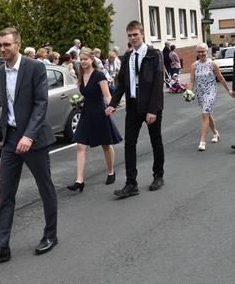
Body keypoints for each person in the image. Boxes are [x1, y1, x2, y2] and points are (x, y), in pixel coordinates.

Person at [0, 27, 58, 265]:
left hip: (35, 141)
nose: (2, 49)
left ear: (18, 45)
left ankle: (50, 235)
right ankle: (1, 247)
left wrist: (29, 136)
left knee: (45, 188)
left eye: (7, 45)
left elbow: (41, 104)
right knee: (6, 194)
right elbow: (7, 108)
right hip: (11, 140)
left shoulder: (35, 67)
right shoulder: (0, 72)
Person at [106, 20, 164, 198]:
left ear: (142, 34)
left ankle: (158, 175)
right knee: (129, 144)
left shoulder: (154, 54)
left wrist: (152, 110)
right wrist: (112, 104)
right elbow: (122, 83)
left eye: (135, 35)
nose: (133, 38)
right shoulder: (127, 57)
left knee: (155, 141)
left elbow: (157, 83)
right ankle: (131, 183)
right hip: (132, 105)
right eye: (130, 35)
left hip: (150, 105)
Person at [67, 48, 122, 192]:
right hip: (86, 113)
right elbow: (87, 94)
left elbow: (107, 95)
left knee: (106, 144)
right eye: (81, 59)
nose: (83, 61)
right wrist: (79, 100)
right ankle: (79, 181)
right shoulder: (81, 75)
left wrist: (111, 107)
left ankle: (111, 172)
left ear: (92, 60)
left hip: (99, 112)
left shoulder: (99, 75)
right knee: (80, 145)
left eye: (85, 59)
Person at [187, 43, 231, 151]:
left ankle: (202, 141)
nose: (201, 53)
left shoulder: (213, 64)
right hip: (200, 92)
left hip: (210, 91)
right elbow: (192, 81)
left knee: (204, 114)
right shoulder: (194, 65)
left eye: (203, 51)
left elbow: (220, 78)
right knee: (207, 113)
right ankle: (215, 132)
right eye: (199, 51)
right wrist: (189, 91)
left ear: (207, 52)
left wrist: (229, 90)